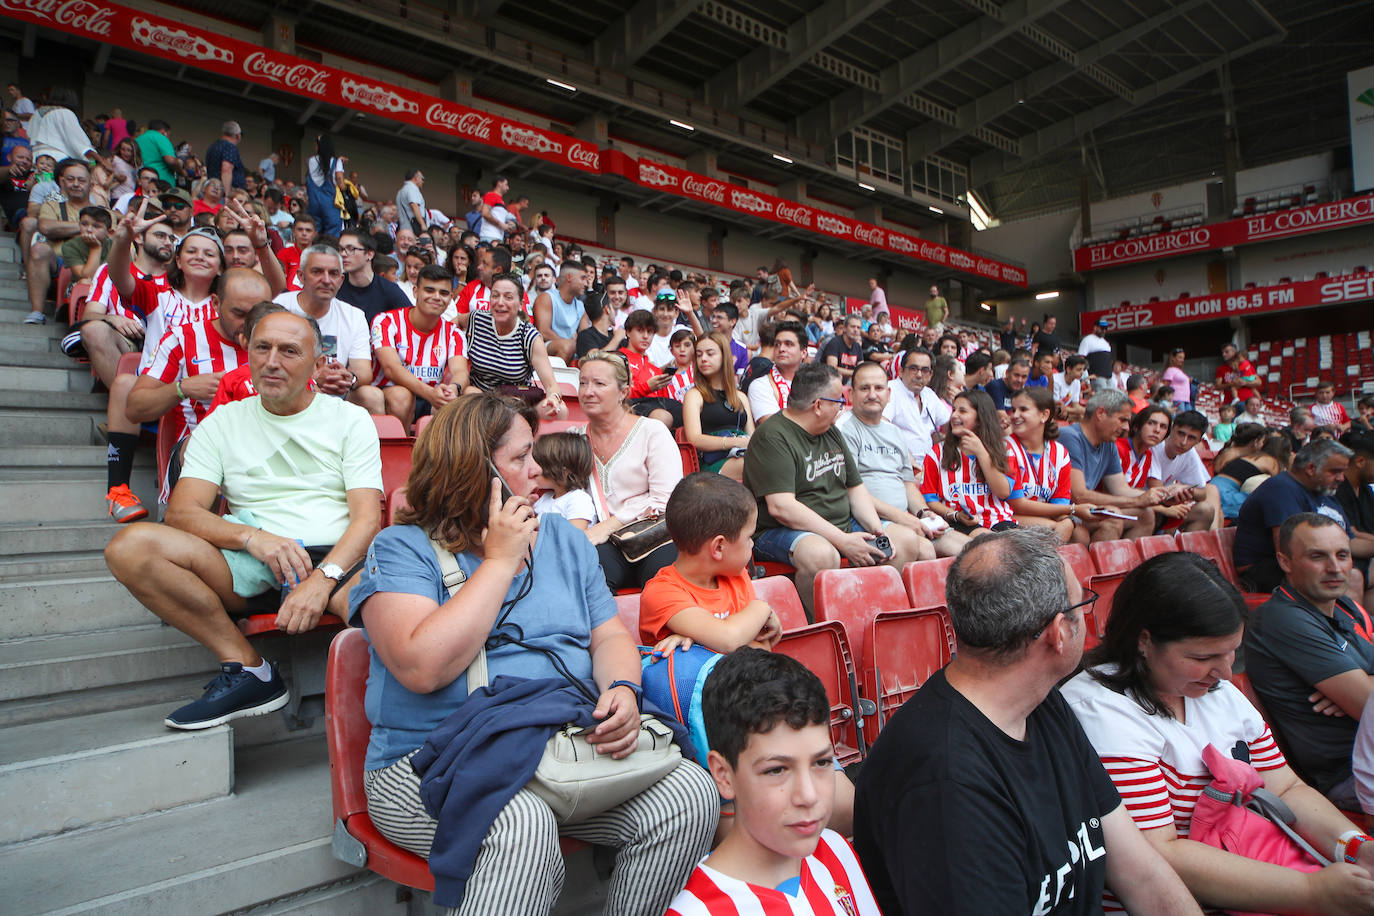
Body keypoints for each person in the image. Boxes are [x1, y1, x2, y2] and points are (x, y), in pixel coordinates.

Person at [349, 392, 716, 914]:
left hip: (555, 747)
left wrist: (621, 690)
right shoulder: (401, 548)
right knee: (520, 821)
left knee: (689, 794)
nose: (537, 471)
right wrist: (499, 562)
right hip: (428, 761)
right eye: (519, 458)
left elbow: (609, 637)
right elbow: (421, 668)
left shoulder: (565, 540)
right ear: (470, 470)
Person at [853, 527, 1201, 915]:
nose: (1086, 616)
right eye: (1081, 606)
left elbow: (1141, 873)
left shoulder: (1043, 702)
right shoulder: (943, 780)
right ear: (1057, 633)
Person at [105, 310, 382, 728]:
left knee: (379, 612)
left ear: (317, 362)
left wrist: (321, 580)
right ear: (247, 353)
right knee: (129, 548)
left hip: (338, 560)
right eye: (262, 347)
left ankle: (403, 723)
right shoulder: (221, 423)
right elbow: (182, 512)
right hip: (252, 561)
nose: (272, 361)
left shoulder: (350, 419)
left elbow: (366, 520)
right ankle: (248, 669)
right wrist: (255, 539)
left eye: (290, 351)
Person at [1062, 551, 1374, 915]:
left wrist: (1354, 847)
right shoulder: (1101, 711)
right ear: (1143, 640)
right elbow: (1159, 853)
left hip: (1254, 877)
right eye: (1202, 657)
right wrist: (1312, 892)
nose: (1225, 672)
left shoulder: (1212, 690)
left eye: (1232, 653)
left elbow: (1286, 787)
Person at [666, 649, 879, 916]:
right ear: (723, 774)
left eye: (821, 762)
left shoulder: (836, 851)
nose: (809, 795)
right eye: (777, 770)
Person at [744, 362, 923, 614]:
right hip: (781, 531)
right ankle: (826, 629)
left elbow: (855, 489)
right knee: (821, 554)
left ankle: (871, 618)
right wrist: (842, 540)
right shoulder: (772, 436)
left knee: (903, 541)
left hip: (841, 524)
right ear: (818, 405)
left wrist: (876, 530)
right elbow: (782, 507)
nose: (842, 408)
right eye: (838, 401)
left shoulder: (830, 431)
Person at [1246, 514, 1374, 809]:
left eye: (1342, 555)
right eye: (1317, 556)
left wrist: (1361, 682)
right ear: (1285, 561)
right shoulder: (1284, 618)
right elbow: (1370, 707)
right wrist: (1361, 687)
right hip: (1351, 775)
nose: (1334, 567)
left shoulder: (1342, 604)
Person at [577, 350, 684, 591]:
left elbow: (666, 500)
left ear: (623, 392)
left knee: (664, 586)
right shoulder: (575, 438)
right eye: (582, 383)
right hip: (603, 543)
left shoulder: (652, 431)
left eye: (599, 384)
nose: (587, 391)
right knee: (591, 584)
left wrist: (608, 525)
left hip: (654, 533)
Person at [638, 473, 779, 652]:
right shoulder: (660, 593)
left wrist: (702, 643)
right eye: (749, 537)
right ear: (719, 547)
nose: (752, 543)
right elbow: (729, 639)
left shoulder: (737, 577)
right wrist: (762, 608)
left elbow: (762, 648)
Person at [840, 362, 961, 557]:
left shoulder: (894, 432)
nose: (872, 394)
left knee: (968, 548)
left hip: (904, 518)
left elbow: (908, 484)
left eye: (878, 388)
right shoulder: (845, 429)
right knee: (924, 550)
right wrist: (905, 519)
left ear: (888, 394)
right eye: (864, 388)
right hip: (863, 519)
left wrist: (923, 513)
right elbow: (850, 491)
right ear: (852, 394)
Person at [1233, 440, 1364, 596]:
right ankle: (1344, 621)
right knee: (1352, 576)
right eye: (1335, 471)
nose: (1341, 478)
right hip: (1269, 569)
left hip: (1314, 558)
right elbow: (1288, 546)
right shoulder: (1281, 489)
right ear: (1310, 468)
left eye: (1343, 472)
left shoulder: (1326, 494)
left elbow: (1350, 542)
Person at [273, 244, 382, 415]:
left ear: (341, 280)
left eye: (333, 273)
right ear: (301, 277)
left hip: (336, 393)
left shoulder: (354, 315)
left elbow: (363, 371)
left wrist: (348, 379)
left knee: (372, 397)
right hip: (287, 388)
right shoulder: (279, 307)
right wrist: (312, 379)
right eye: (317, 272)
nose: (326, 279)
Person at [365, 264, 468, 427]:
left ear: (450, 299)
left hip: (432, 396)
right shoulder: (386, 321)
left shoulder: (454, 333)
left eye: (444, 293)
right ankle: (401, 451)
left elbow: (461, 371)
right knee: (402, 396)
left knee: (469, 396)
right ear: (415, 292)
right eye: (429, 290)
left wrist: (453, 389)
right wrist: (430, 393)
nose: (436, 297)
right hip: (390, 393)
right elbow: (391, 368)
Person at [1059, 389, 1165, 541]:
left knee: (1145, 513)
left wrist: (1162, 495)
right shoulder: (1070, 437)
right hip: (1066, 510)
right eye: (1122, 420)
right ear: (1100, 413)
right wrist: (1136, 501)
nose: (1127, 428)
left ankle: (1130, 564)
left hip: (1084, 510)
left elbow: (1120, 489)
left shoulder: (1108, 443)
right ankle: (1104, 564)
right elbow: (1078, 495)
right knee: (1112, 516)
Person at [920, 389, 1024, 537]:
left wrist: (981, 453)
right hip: (958, 522)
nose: (955, 415)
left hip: (999, 520)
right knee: (987, 540)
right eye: (954, 410)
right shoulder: (936, 453)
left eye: (962, 411)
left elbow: (1003, 492)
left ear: (981, 417)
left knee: (1022, 545)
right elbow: (930, 500)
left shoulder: (1005, 450)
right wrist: (955, 515)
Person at [462, 274, 565, 420]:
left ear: (521, 304)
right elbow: (452, 325)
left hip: (516, 402)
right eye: (495, 296)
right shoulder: (476, 319)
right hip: (479, 399)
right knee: (469, 393)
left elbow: (551, 385)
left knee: (561, 411)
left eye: (508, 297)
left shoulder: (530, 336)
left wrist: (553, 398)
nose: (500, 302)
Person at [1007, 386, 1096, 542]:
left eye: (1023, 409)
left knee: (1081, 535)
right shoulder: (1006, 448)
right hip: (1009, 517)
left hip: (1044, 518)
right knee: (1054, 528)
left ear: (1044, 415)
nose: (1015, 415)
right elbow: (1017, 504)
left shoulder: (1060, 453)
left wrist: (1066, 519)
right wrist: (1073, 510)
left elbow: (1059, 502)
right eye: (1013, 410)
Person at [681, 332, 753, 481]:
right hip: (711, 461)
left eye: (710, 353)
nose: (703, 359)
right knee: (757, 465)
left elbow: (752, 436)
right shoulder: (694, 395)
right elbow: (694, 439)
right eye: (699, 355)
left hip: (741, 455)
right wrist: (734, 442)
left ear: (724, 356)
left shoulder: (740, 397)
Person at [1150, 410, 1222, 531]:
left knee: (1206, 510)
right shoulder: (1156, 447)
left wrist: (1186, 490)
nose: (1183, 442)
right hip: (1148, 506)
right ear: (1172, 429)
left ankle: (1187, 549)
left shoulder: (1189, 453)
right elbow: (1156, 491)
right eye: (1181, 434)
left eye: (1191, 438)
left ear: (1198, 441)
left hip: (1163, 505)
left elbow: (1202, 493)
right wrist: (1175, 492)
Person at [883, 348, 951, 464]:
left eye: (925, 370)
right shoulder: (890, 390)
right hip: (898, 463)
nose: (919, 375)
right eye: (913, 369)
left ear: (931, 375)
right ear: (901, 371)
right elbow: (882, 428)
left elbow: (948, 425)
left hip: (929, 465)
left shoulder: (929, 394)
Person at [337, 229, 411, 324]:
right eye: (341, 249)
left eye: (351, 249)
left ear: (369, 254)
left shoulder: (388, 290)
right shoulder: (336, 286)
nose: (343, 254)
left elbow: (410, 322)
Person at [529, 432, 598, 531]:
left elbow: (573, 538)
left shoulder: (578, 500)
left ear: (564, 472)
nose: (534, 470)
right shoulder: (545, 498)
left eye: (539, 464)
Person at [531, 259, 586, 364]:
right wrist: (571, 345)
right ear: (569, 277)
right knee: (567, 347)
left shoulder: (580, 306)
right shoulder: (547, 298)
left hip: (571, 348)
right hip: (543, 347)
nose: (586, 283)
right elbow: (543, 332)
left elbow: (584, 335)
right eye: (582, 278)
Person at [575, 275, 628, 361]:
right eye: (612, 308)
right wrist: (617, 339)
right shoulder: (586, 335)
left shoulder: (614, 335)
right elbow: (593, 360)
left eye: (621, 292)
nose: (617, 296)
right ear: (607, 309)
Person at [305, 135, 345, 237]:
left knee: (313, 231)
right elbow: (341, 184)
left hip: (313, 203)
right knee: (332, 232)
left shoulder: (310, 161)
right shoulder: (336, 162)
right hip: (330, 204)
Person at [820, 315, 864, 383]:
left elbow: (861, 368)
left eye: (858, 328)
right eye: (852, 326)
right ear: (844, 328)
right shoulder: (834, 343)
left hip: (849, 382)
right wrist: (854, 373)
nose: (855, 330)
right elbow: (832, 368)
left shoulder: (857, 346)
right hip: (828, 382)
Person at [204, 121, 245, 190]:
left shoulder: (213, 146)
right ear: (238, 136)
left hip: (213, 187)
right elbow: (226, 170)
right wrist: (227, 194)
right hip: (226, 191)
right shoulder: (230, 147)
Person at [1078, 319, 1114, 385]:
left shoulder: (1105, 342)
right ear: (1095, 327)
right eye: (1102, 328)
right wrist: (1085, 376)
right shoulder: (1087, 340)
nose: (1104, 330)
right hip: (1096, 376)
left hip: (1108, 376)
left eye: (1105, 329)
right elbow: (1081, 358)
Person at [1053, 353, 1088, 421]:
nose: (1082, 372)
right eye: (1078, 369)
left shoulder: (1077, 382)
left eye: (1083, 370)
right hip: (1054, 411)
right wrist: (1082, 411)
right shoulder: (1056, 380)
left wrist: (1088, 411)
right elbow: (1056, 406)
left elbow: (1075, 405)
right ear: (1068, 369)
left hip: (1064, 411)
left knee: (1082, 417)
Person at [1161, 347, 1193, 413]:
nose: (1182, 360)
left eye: (1183, 358)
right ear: (1173, 358)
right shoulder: (1170, 370)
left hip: (1186, 400)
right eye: (1180, 357)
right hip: (1177, 399)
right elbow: (1165, 385)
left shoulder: (1180, 371)